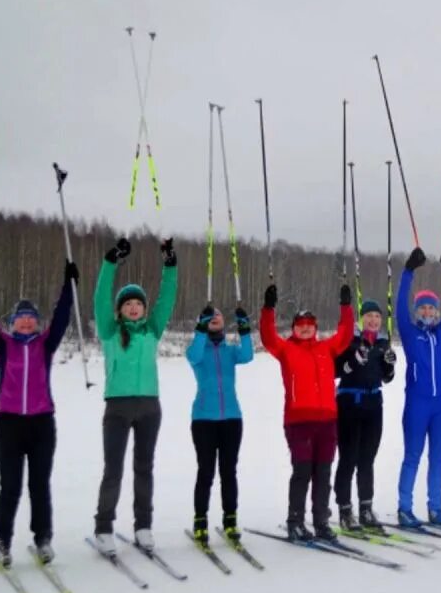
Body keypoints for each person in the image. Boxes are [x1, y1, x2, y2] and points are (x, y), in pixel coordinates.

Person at [0, 259, 75, 566]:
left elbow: (62, 318)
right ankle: (1, 541)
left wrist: (68, 286)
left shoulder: (45, 345)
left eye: (30, 319)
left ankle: (43, 539)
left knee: (39, 485)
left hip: (41, 425)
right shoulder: (4, 345)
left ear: (37, 323)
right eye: (20, 319)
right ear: (12, 323)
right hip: (9, 426)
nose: (26, 323)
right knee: (9, 486)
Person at [91, 237, 178, 556]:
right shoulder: (110, 331)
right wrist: (110, 261)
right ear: (120, 309)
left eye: (138, 303)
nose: (133, 306)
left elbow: (166, 300)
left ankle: (143, 526)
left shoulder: (152, 330)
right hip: (117, 407)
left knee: (145, 467)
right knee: (113, 469)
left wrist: (170, 265)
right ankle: (103, 528)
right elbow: (101, 297)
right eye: (127, 303)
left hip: (149, 407)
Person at [260, 282, 356, 542]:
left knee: (323, 474)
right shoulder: (286, 349)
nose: (305, 327)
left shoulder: (326, 349)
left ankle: (321, 521)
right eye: (300, 323)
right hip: (299, 421)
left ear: (314, 328)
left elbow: (345, 335)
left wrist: (346, 307)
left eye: (310, 324)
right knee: (302, 471)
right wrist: (268, 309)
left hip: (327, 421)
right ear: (294, 328)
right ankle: (296, 521)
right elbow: (268, 337)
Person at [395, 247, 441, 527]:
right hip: (417, 405)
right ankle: (404, 508)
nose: (427, 311)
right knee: (412, 456)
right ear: (417, 311)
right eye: (422, 307)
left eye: (431, 307)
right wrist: (409, 271)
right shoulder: (410, 334)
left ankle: (435, 508)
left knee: (438, 460)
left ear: (436, 311)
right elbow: (400, 304)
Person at [185, 305, 254, 546]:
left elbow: (248, 355)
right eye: (209, 316)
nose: (215, 318)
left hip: (232, 419)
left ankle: (230, 518)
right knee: (206, 471)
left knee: (228, 471)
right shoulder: (198, 350)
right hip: (203, 420)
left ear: (224, 323)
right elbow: (193, 356)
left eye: (218, 315)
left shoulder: (230, 351)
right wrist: (200, 329)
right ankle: (200, 520)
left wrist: (245, 329)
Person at [333, 300, 397, 532]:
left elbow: (386, 378)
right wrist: (352, 362)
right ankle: (345, 509)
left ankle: (366, 508)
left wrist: (389, 366)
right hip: (350, 405)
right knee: (348, 459)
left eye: (377, 317)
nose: (373, 320)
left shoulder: (382, 343)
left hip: (373, 406)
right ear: (361, 319)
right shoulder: (349, 341)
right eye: (369, 316)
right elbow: (334, 370)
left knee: (367, 460)